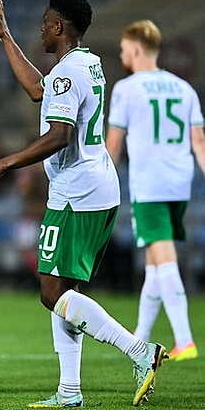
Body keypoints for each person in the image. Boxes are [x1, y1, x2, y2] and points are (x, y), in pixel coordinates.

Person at [0, 0, 167, 408]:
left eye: (44, 23)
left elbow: (59, 134)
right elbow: (38, 90)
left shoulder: (67, 75)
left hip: (77, 193)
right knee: (67, 291)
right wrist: (5, 38)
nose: (40, 29)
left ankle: (140, 351)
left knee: (50, 291)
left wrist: (2, 165)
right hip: (96, 187)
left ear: (59, 27)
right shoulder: (85, 64)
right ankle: (69, 391)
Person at [105, 20, 203, 362]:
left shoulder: (127, 89)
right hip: (179, 182)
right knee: (153, 262)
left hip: (150, 182)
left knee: (163, 257)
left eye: (122, 49)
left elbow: (114, 144)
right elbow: (199, 141)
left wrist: (102, 179)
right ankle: (140, 340)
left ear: (134, 49)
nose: (121, 55)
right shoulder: (184, 88)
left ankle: (185, 339)